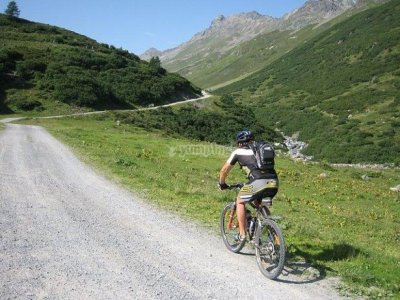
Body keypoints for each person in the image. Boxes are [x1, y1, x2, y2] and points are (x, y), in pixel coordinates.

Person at [218, 130, 279, 241]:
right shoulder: (260, 149)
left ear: (240, 143)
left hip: (258, 182)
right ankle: (274, 237)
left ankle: (242, 235)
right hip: (274, 182)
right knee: (259, 204)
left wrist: (222, 183)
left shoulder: (238, 152)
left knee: (240, 200)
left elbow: (224, 171)